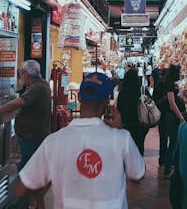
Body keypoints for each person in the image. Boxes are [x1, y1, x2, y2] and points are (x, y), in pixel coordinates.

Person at [15, 72, 145, 208]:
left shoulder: (54, 141)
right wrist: (120, 129)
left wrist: (39, 198)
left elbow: (20, 189)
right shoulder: (121, 138)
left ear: (79, 97)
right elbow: (138, 173)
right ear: (107, 101)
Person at [0, 60, 51, 172]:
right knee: (28, 165)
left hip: (32, 136)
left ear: (25, 73)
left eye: (20, 73)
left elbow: (19, 102)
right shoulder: (41, 84)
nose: (20, 76)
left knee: (27, 168)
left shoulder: (36, 87)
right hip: (35, 134)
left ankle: (23, 187)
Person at [163, 64, 187, 179]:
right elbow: (172, 103)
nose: (180, 74)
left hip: (177, 116)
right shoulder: (170, 85)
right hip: (173, 117)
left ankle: (176, 167)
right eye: (179, 72)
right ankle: (167, 169)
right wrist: (180, 117)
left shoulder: (176, 85)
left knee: (177, 143)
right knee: (173, 143)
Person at [117, 69, 150, 155]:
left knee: (127, 147)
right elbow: (151, 103)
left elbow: (119, 108)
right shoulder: (142, 90)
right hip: (141, 123)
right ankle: (140, 164)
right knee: (140, 145)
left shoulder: (122, 92)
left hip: (127, 124)